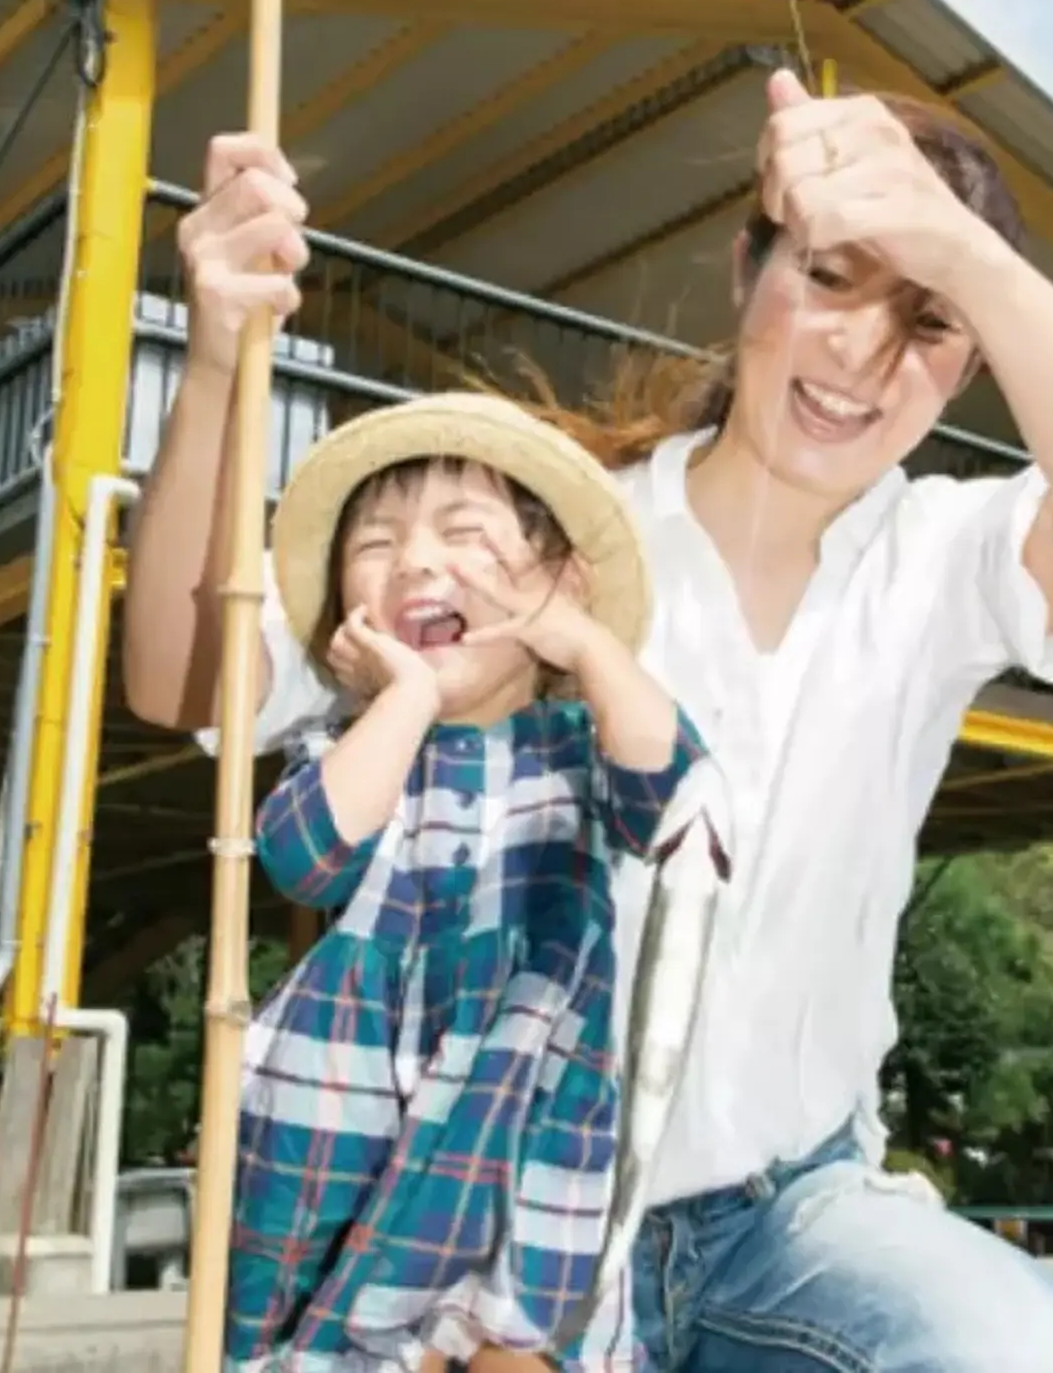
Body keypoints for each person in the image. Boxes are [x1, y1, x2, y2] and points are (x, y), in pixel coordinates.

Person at [125, 68, 1053, 1372]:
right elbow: (188, 682)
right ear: (748, 270)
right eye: (831, 277)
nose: (863, 356)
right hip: (482, 1226)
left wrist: (959, 245)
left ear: (971, 359)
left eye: (930, 320)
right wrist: (222, 354)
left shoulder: (942, 557)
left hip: (793, 1215)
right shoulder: (555, 534)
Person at [228, 392, 706, 1371]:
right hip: (327, 1165)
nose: (415, 561)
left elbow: (678, 804)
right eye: (377, 543)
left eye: (465, 533)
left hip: (519, 1170)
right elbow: (301, 855)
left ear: (559, 582)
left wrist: (586, 642)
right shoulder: (343, 748)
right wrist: (406, 696)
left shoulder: (582, 747)